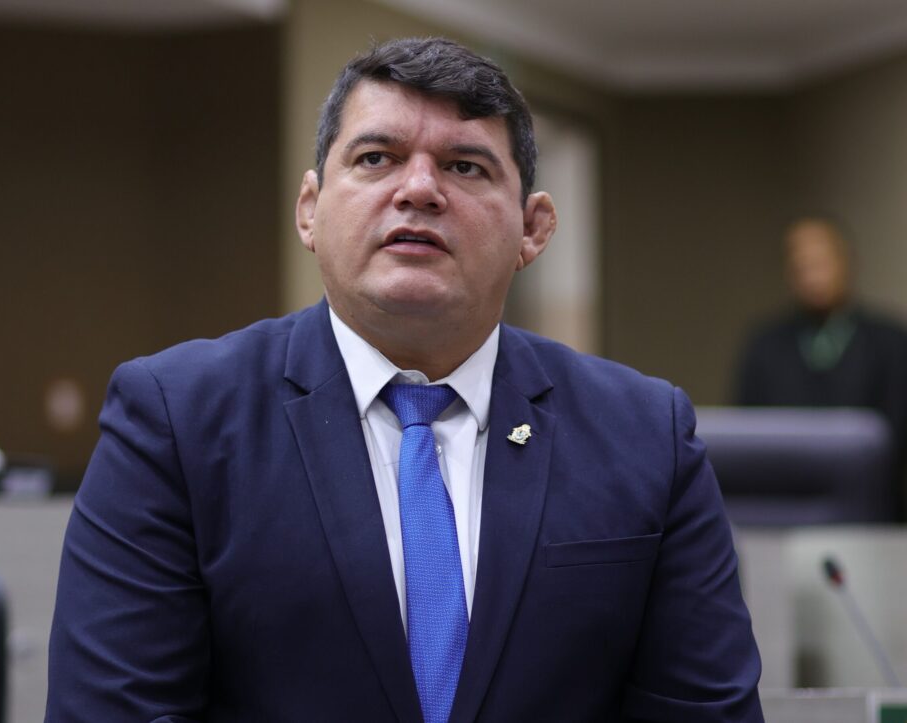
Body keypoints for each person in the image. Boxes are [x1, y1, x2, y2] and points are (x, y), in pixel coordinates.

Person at [47, 37, 763, 722]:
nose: (418, 189)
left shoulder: (647, 435)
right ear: (310, 209)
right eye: (376, 158)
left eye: (465, 167)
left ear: (532, 228)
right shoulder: (176, 419)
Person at [735, 216, 907, 517]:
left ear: (846, 262)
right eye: (800, 265)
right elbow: (748, 434)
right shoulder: (765, 345)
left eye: (820, 262)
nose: (811, 275)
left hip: (873, 513)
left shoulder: (890, 342)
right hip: (781, 511)